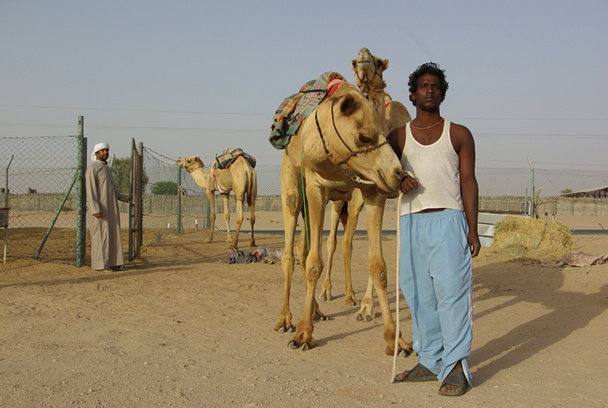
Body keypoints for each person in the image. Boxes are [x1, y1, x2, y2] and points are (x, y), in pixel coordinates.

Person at [388, 62, 480, 397]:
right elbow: (381, 174)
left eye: (435, 86)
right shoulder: (397, 137)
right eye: (423, 86)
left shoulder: (459, 134)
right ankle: (429, 360)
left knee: (452, 294)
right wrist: (399, 179)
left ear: (442, 93)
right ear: (412, 94)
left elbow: (468, 183)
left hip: (448, 220)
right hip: (411, 222)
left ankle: (456, 365)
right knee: (418, 295)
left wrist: (472, 230)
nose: (429, 90)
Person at [85, 142, 131, 271]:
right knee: (101, 236)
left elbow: (112, 191)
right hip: (100, 210)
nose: (105, 153)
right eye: (102, 151)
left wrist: (125, 197)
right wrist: (95, 209)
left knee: (113, 234)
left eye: (107, 150)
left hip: (111, 209)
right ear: (97, 153)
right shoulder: (92, 169)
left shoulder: (107, 169)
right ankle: (102, 265)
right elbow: (90, 192)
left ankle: (115, 262)